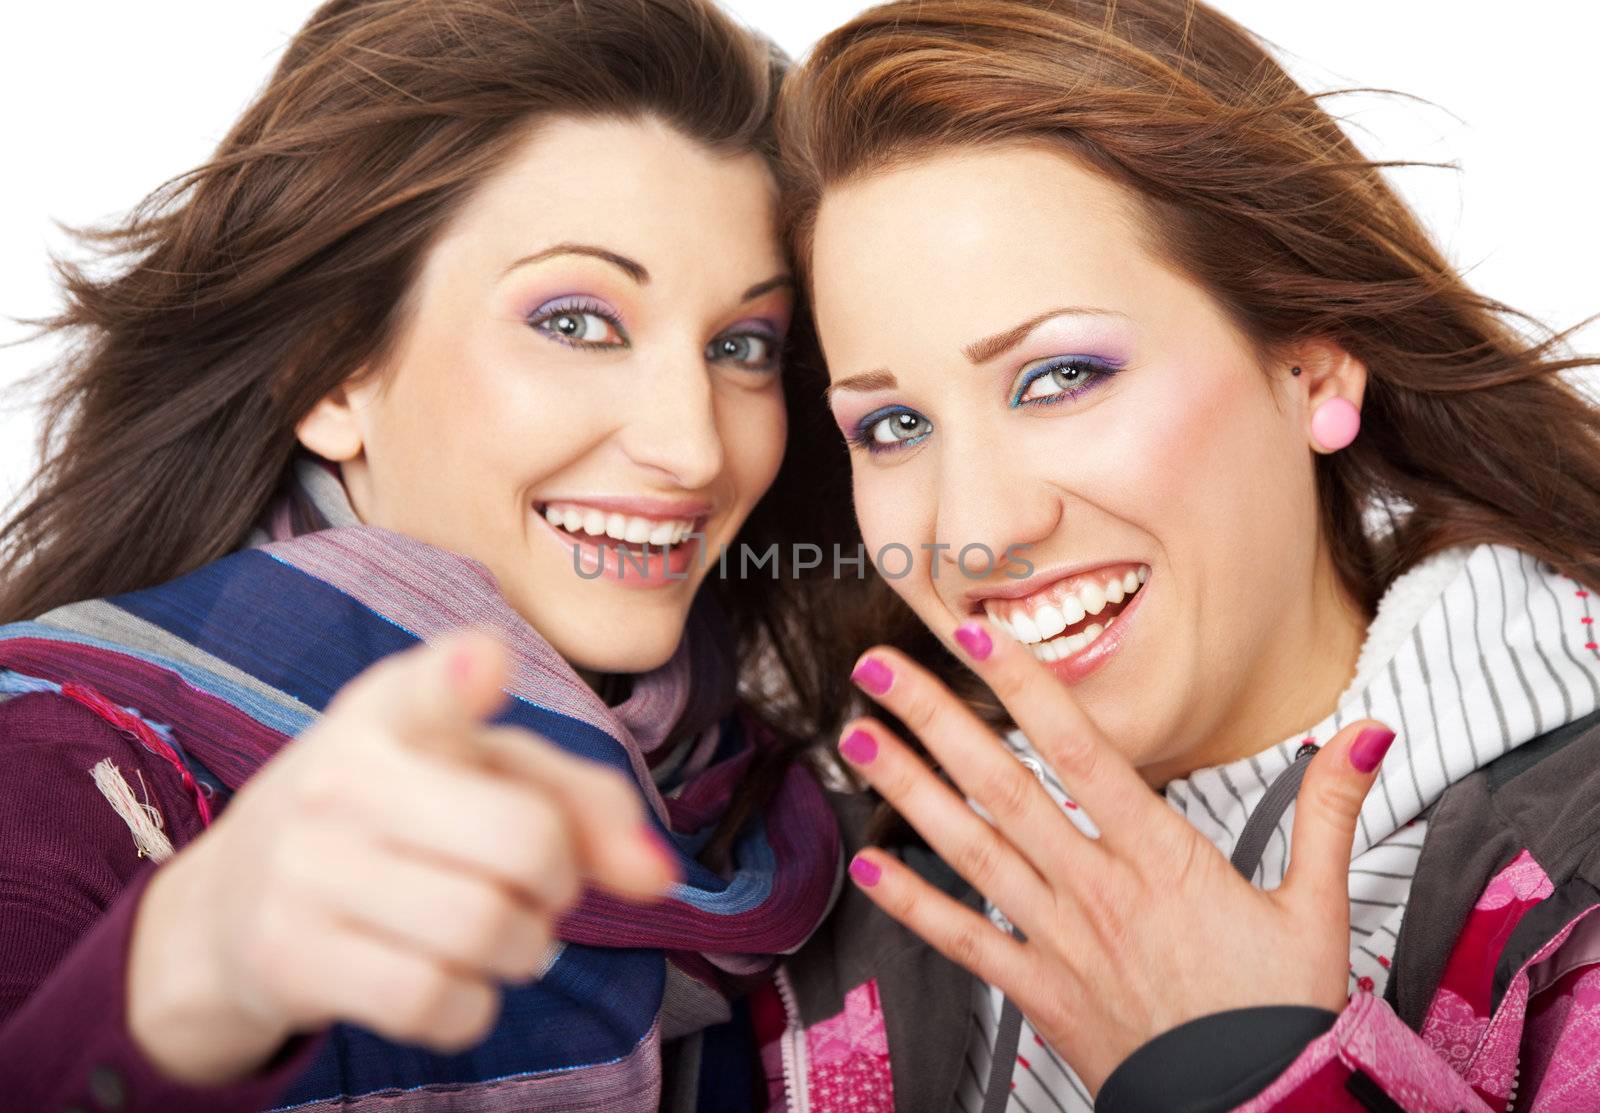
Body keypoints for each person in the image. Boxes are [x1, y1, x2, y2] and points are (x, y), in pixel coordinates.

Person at [0, 1, 847, 1110]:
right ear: (333, 373)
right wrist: (171, 998)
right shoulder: (53, 778)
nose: (691, 448)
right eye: (578, 322)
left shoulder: (792, 829)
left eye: (742, 346)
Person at [761, 0, 1600, 1109]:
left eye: (1060, 377)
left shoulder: (1570, 882)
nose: (980, 522)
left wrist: (1245, 1070)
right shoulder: (806, 885)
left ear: (1312, 366)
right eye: (892, 426)